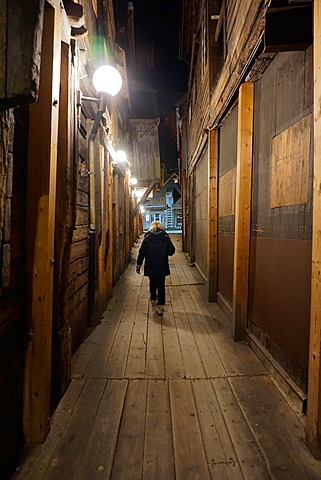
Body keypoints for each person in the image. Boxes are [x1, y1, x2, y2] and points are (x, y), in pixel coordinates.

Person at [136, 221, 175, 316]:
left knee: (152, 281)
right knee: (161, 285)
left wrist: (138, 264)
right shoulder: (165, 238)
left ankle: (153, 298)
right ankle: (160, 306)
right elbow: (171, 251)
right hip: (162, 265)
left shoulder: (147, 239)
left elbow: (142, 252)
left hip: (150, 264)